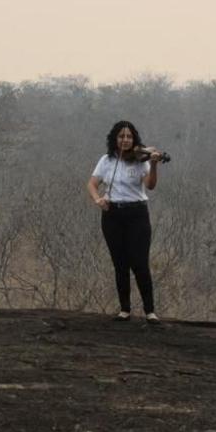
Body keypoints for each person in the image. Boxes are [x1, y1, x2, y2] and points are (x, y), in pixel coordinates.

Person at [88, 120, 162, 323]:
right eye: (121, 136)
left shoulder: (141, 159)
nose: (125, 140)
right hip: (112, 215)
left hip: (137, 214)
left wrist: (154, 163)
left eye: (129, 136)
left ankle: (150, 311)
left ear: (134, 139)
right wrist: (98, 199)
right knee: (120, 264)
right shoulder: (106, 160)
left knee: (140, 263)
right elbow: (93, 183)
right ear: (115, 139)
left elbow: (151, 184)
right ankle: (124, 309)